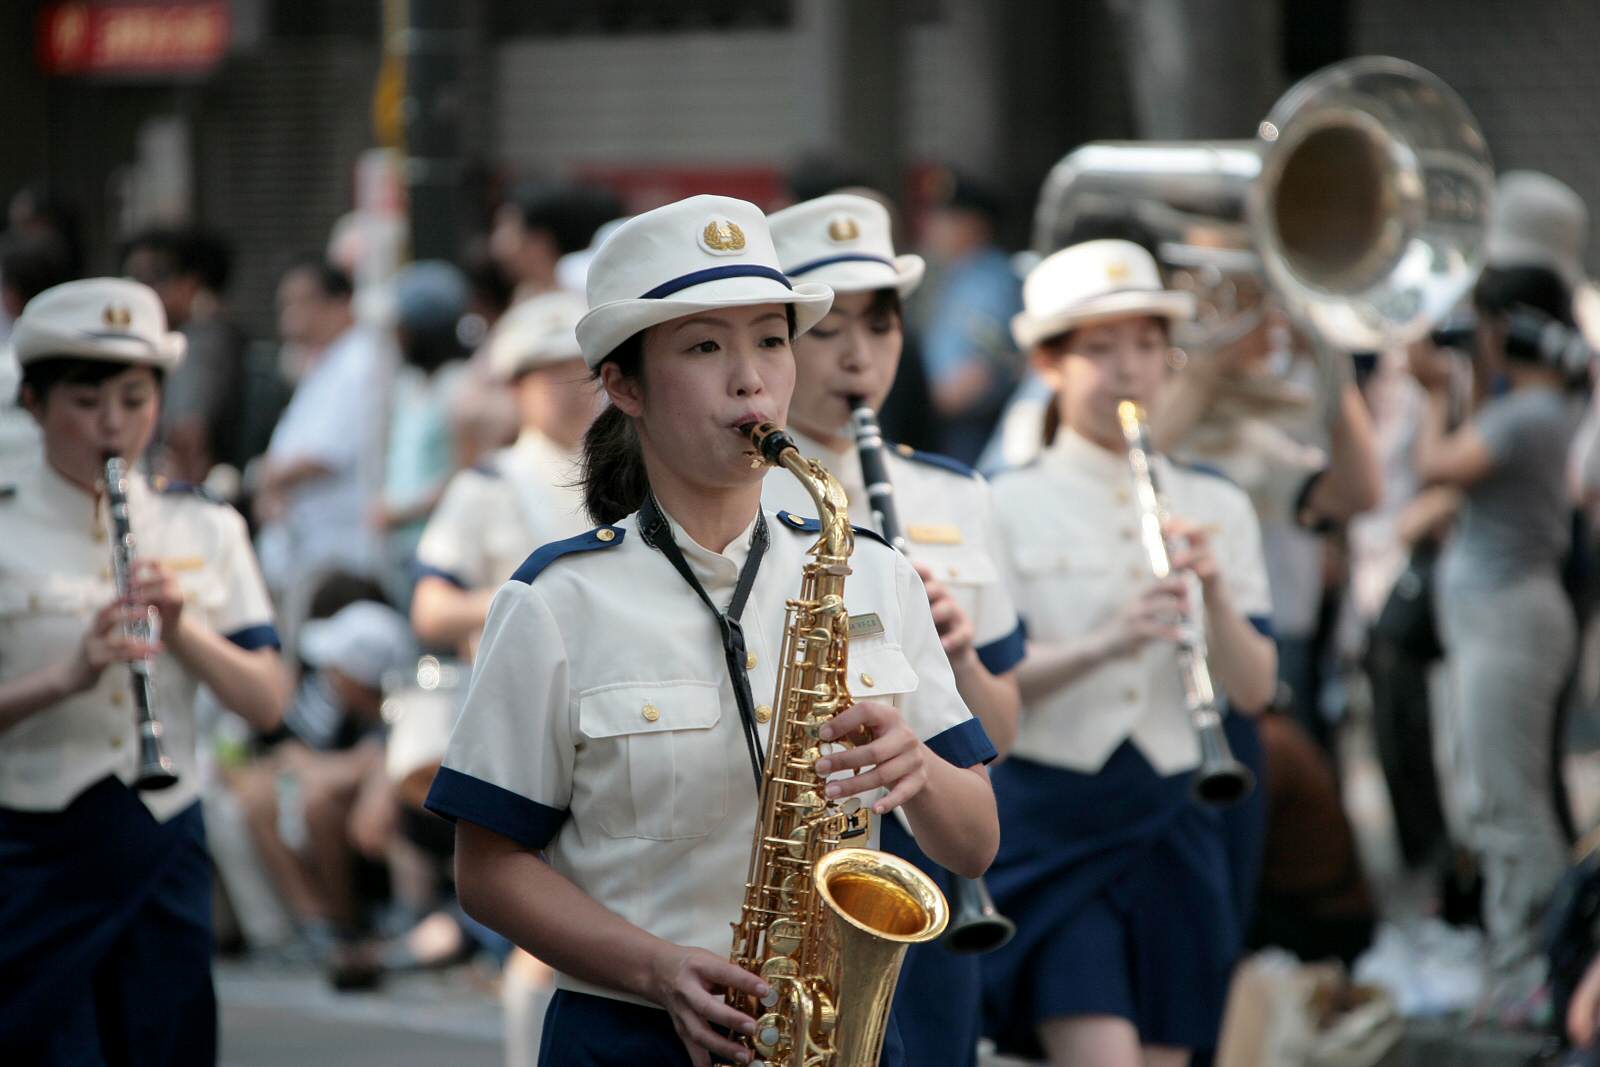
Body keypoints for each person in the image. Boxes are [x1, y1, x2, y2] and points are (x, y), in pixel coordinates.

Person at [424, 194, 999, 1067]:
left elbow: (976, 841)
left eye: (770, 340)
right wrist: (656, 969)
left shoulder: (875, 570)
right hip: (627, 1040)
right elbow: (488, 868)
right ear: (624, 386)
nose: (750, 379)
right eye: (703, 347)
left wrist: (916, 767)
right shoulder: (555, 600)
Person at [981, 239, 1277, 1067]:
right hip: (1055, 814)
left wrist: (1213, 593)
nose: (1129, 369)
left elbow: (1256, 690)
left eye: (1148, 345)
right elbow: (989, 684)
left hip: (1180, 813)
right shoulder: (1001, 502)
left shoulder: (1217, 501)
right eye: (1100, 348)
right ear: (1049, 363)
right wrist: (1111, 640)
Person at [0, 278, 290, 1064]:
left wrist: (183, 629)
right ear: (33, 402)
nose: (113, 424)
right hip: (29, 845)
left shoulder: (206, 524)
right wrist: (65, 676)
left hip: (161, 844)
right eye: (85, 401)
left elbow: (268, 700)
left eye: (135, 399)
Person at [764, 191, 1023, 1067]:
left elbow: (1004, 731)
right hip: (796, 865)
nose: (858, 356)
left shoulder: (956, 493)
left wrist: (958, 655)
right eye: (828, 329)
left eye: (879, 326)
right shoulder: (736, 498)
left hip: (926, 865)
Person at [1407, 260, 1584, 1015]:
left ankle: (1534, 973)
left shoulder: (1533, 413)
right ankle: (1524, 965)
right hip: (1501, 621)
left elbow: (1435, 464)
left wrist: (1431, 392)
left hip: (1510, 623)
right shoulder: (1534, 406)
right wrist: (1470, 378)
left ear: (1507, 328)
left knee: (1512, 807)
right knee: (1493, 800)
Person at [411, 288, 595, 656]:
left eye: (583, 373)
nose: (572, 391)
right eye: (554, 376)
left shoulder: (636, 474)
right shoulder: (486, 483)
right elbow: (430, 611)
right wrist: (522, 597)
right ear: (516, 388)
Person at [254, 258, 389, 627]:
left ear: (339, 302)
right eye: (285, 303)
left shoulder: (360, 360)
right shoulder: (324, 361)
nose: (290, 314)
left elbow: (325, 454)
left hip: (337, 552)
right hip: (304, 548)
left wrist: (266, 478)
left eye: (302, 301)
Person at [912, 170, 1024, 465]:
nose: (931, 226)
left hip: (969, 433)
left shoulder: (989, 281)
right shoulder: (959, 276)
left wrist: (912, 411)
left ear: (974, 225)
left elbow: (976, 376)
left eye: (944, 219)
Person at [121, 227, 249, 483]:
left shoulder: (200, 341)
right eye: (133, 278)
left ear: (191, 283)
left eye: (153, 277)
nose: (141, 290)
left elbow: (186, 435)